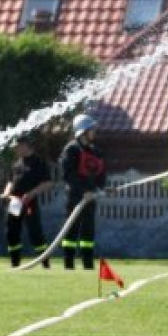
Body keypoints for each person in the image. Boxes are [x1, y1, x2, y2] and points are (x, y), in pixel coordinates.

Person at [59, 113, 108, 270]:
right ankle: (69, 266)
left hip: (91, 198)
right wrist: (82, 192)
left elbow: (100, 174)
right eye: (91, 129)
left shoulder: (96, 152)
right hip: (75, 198)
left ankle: (87, 266)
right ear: (83, 131)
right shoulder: (71, 150)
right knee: (71, 233)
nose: (94, 132)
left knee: (88, 234)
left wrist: (103, 189)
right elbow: (69, 175)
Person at [0, 133, 54, 268]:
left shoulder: (38, 162)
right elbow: (11, 181)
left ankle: (45, 263)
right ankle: (15, 263)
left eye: (17, 146)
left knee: (35, 232)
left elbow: (47, 183)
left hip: (29, 203)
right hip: (15, 203)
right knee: (11, 231)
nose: (15, 149)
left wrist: (31, 194)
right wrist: (7, 192)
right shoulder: (17, 163)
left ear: (25, 145)